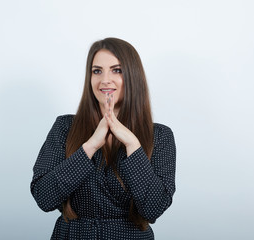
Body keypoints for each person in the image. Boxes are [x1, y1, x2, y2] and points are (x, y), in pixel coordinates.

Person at [30, 37, 176, 239]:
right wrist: (89, 147)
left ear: (133, 77)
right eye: (97, 71)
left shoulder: (159, 136)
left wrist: (133, 145)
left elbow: (153, 209)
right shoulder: (64, 127)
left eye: (117, 70)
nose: (105, 79)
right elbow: (44, 198)